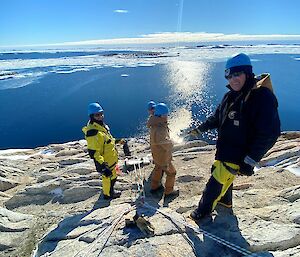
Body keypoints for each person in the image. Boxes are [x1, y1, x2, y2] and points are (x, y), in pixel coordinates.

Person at [189, 53, 281, 220]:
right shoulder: (229, 96)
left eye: (237, 74)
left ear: (247, 73)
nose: (233, 79)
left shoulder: (262, 97)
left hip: (239, 154)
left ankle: (202, 211)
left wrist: (251, 160)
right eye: (229, 76)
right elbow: (217, 118)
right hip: (225, 149)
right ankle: (226, 202)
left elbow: (270, 133)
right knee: (218, 172)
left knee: (215, 182)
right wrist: (200, 129)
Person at [82, 102, 122, 200]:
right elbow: (93, 152)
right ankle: (107, 195)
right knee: (107, 178)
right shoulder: (93, 133)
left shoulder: (101, 127)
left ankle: (110, 190)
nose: (100, 116)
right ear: (92, 116)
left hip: (111, 159)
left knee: (113, 176)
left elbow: (108, 141)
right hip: (105, 162)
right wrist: (103, 165)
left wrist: (119, 141)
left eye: (101, 114)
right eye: (97, 115)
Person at [147, 102, 179, 198]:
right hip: (163, 156)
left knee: (158, 168)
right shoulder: (160, 128)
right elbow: (164, 144)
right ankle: (169, 191)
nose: (167, 116)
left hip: (156, 155)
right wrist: (172, 143)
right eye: (166, 114)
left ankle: (154, 186)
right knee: (172, 172)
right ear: (161, 115)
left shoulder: (154, 124)